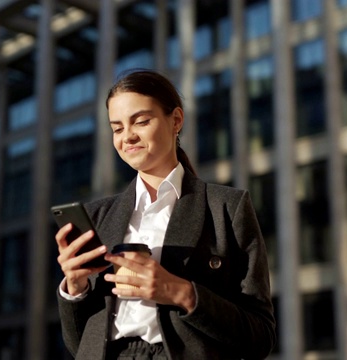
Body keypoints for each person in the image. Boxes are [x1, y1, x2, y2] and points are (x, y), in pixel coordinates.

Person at [55, 69, 276, 360]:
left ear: (176, 120)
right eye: (117, 128)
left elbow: (261, 337)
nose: (128, 136)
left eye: (141, 121)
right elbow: (79, 344)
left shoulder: (226, 207)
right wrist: (75, 288)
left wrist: (182, 293)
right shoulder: (98, 216)